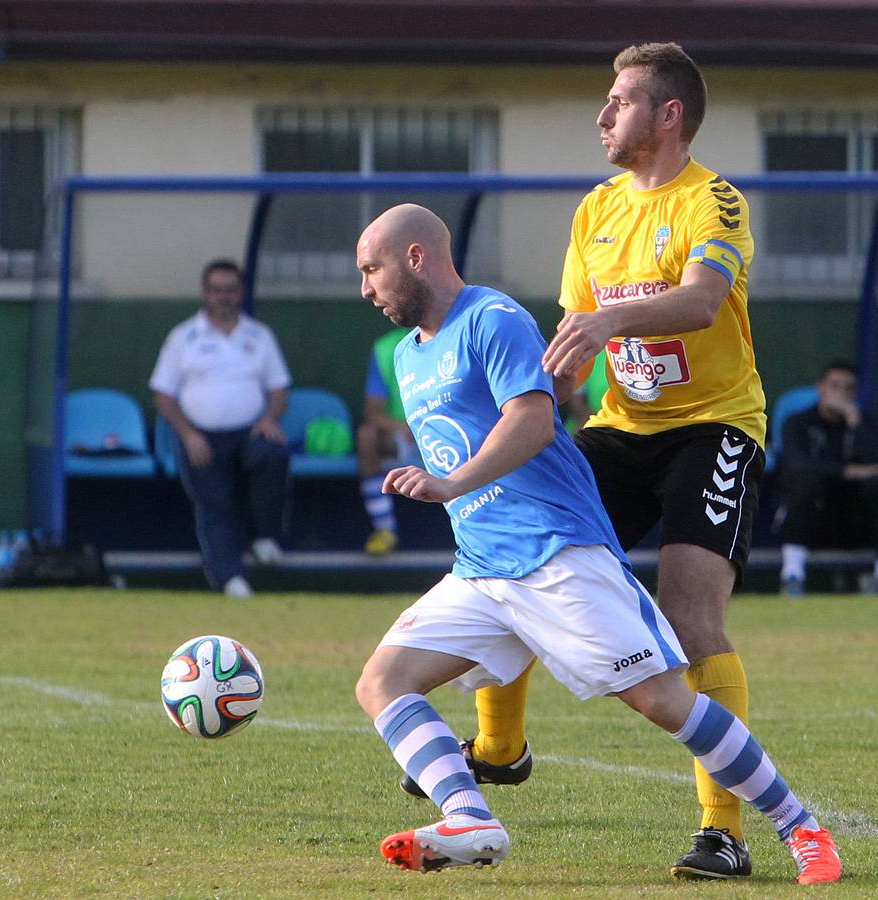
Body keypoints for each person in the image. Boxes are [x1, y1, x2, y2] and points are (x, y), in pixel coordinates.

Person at [353, 203, 840, 884]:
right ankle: (470, 816)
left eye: (371, 269)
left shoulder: (490, 320)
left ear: (415, 258)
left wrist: (450, 483)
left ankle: (802, 828)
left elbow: (531, 420)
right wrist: (456, 493)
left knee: (663, 702)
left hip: (556, 556)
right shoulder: (408, 356)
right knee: (382, 681)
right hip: (483, 571)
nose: (366, 289)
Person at [433, 43, 773, 880]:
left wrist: (609, 328)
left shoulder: (715, 202)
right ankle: (500, 749)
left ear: (668, 116)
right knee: (512, 551)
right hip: (620, 428)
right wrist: (535, 396)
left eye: (619, 101)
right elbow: (575, 338)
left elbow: (698, 302)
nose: (602, 114)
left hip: (713, 428)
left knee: (690, 619)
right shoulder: (596, 211)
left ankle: (723, 833)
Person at [150, 259, 291, 598]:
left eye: (230, 290)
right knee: (215, 502)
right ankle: (229, 578)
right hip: (201, 436)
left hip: (249, 432)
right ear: (205, 293)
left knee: (273, 453)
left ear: (240, 293)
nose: (223, 297)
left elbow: (279, 389)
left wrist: (269, 419)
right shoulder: (183, 337)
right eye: (216, 290)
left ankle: (265, 537)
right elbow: (162, 393)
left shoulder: (259, 336)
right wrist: (187, 434)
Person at [776, 362, 878, 596]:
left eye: (848, 388)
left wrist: (855, 422)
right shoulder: (797, 422)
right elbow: (796, 465)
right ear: (820, 387)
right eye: (834, 386)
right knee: (807, 483)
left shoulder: (864, 423)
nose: (841, 394)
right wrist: (849, 471)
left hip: (853, 522)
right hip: (810, 519)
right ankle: (792, 574)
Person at [356, 328, 423, 555]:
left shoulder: (456, 334)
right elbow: (372, 412)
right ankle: (385, 530)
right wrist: (404, 427)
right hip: (404, 436)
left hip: (450, 433)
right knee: (367, 437)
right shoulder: (386, 348)